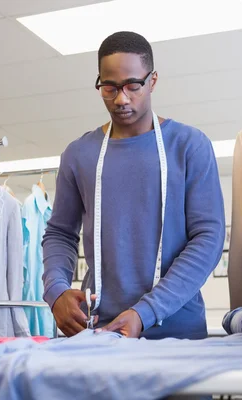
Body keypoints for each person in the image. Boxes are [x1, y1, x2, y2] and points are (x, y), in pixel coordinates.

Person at [42, 31, 225, 340]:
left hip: (177, 335)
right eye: (109, 88)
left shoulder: (189, 146)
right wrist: (56, 290)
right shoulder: (79, 154)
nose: (121, 98)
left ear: (152, 81)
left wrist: (146, 311)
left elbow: (208, 239)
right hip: (97, 332)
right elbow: (60, 233)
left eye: (132, 86)